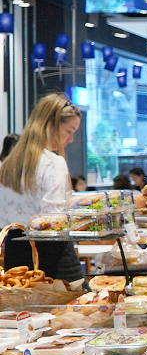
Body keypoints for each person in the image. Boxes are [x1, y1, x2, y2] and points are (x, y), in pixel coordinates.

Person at [0, 94, 85, 282]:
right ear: (51, 124)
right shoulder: (53, 162)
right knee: (76, 300)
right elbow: (52, 220)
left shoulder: (7, 165)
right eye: (69, 130)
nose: (71, 139)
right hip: (53, 257)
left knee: (21, 300)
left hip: (15, 254)